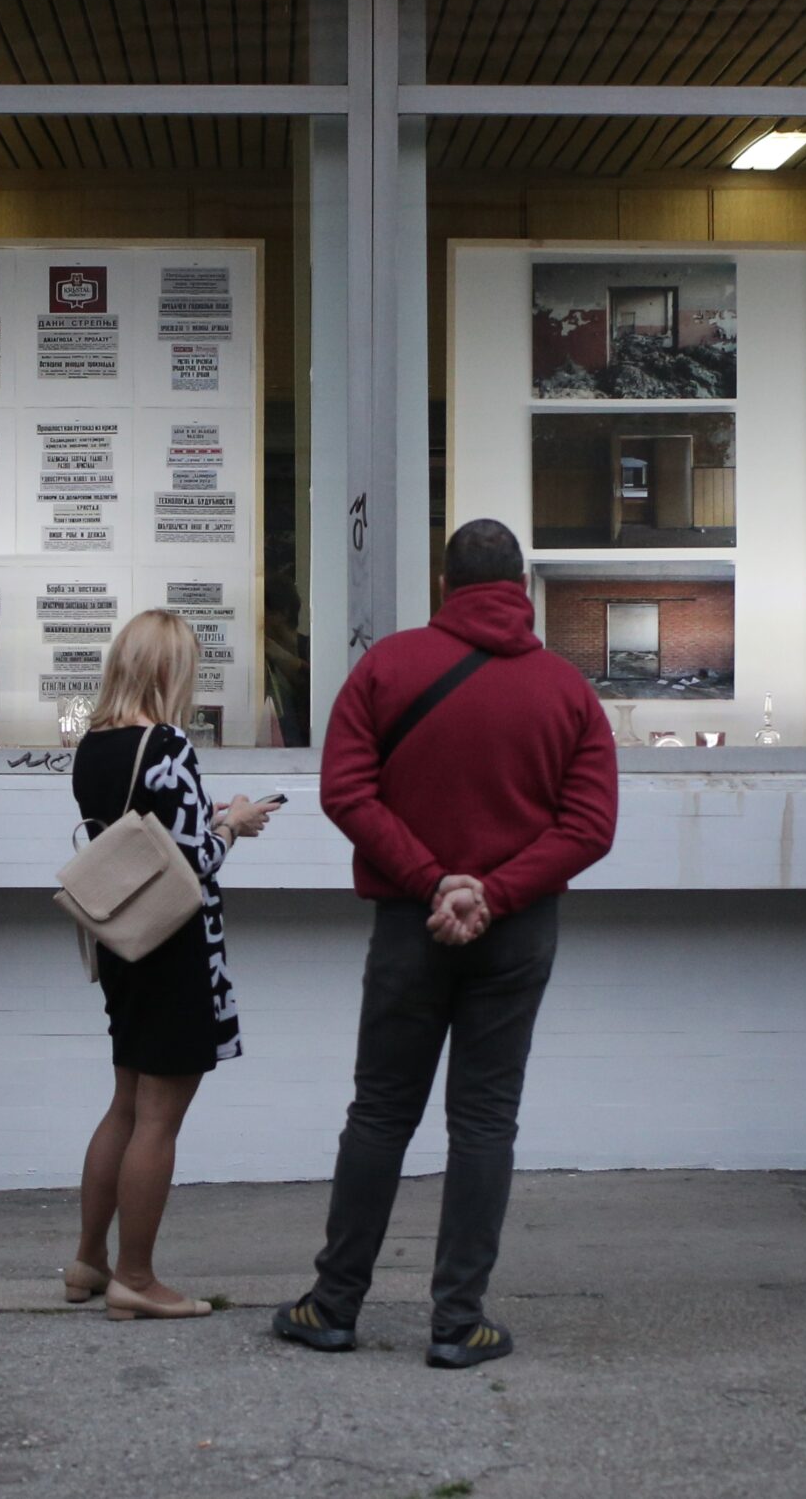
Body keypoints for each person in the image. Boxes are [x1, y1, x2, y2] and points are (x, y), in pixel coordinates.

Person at [275, 519, 616, 1370]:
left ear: (445, 581)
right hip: (518, 930)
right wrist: (492, 894)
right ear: (522, 584)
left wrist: (432, 884)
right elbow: (590, 827)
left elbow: (345, 790)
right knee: (485, 1122)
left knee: (381, 1112)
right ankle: (459, 1321)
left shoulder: (387, 667)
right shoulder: (566, 692)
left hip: (407, 926)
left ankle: (335, 1305)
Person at [65, 609, 270, 1319]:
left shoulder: (94, 744)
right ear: (170, 672)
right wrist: (234, 824)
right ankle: (137, 1278)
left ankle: (89, 1262)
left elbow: (145, 842)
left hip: (125, 944)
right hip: (175, 948)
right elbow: (195, 861)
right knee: (158, 1120)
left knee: (124, 1104)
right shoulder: (167, 743)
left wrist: (205, 822)